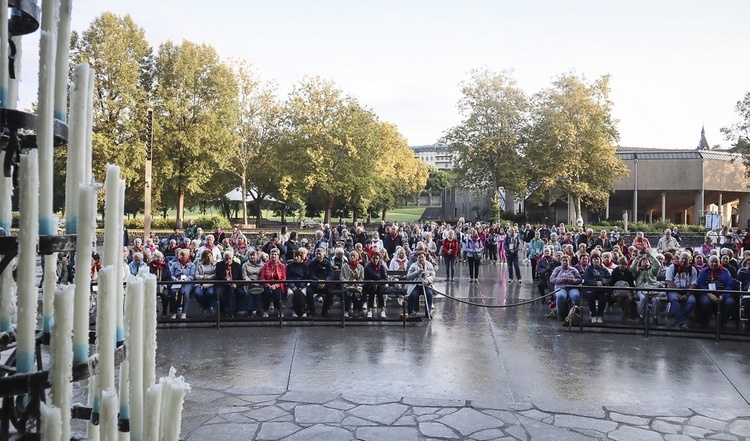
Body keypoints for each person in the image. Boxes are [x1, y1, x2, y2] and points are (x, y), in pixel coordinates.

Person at [696, 255, 737, 327]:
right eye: (712, 262)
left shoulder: (725, 271)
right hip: (707, 293)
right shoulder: (703, 271)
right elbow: (700, 284)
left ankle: (721, 322)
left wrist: (723, 295)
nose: (714, 264)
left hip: (723, 293)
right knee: (705, 302)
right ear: (708, 262)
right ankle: (704, 321)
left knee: (730, 302)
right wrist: (708, 293)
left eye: (716, 262)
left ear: (719, 262)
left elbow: (730, 284)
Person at [665, 252, 698, 329]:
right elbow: (669, 281)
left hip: (687, 291)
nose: (683, 260)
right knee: (674, 299)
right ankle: (682, 322)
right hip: (673, 290)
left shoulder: (692, 269)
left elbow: (694, 283)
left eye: (686, 259)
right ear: (679, 258)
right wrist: (677, 294)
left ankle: (679, 321)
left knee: (692, 301)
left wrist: (687, 294)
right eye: (682, 258)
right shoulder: (672, 267)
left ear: (689, 260)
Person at [630, 250, 661, 324]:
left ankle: (655, 317)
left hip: (652, 290)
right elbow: (632, 268)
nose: (645, 262)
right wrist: (637, 258)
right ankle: (641, 316)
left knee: (656, 300)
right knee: (643, 298)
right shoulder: (638, 271)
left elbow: (658, 265)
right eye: (643, 261)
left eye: (647, 261)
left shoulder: (653, 271)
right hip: (641, 289)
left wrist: (650, 256)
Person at [550, 255, 582, 321]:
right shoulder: (557, 269)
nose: (565, 262)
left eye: (566, 260)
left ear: (569, 261)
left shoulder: (573, 270)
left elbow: (579, 279)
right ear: (561, 261)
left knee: (576, 296)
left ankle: (576, 313)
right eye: (563, 260)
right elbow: (552, 279)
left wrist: (572, 280)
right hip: (561, 287)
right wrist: (561, 280)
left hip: (572, 287)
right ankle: (560, 313)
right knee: (561, 296)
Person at [583, 254, 612, 323]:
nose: (596, 260)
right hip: (591, 288)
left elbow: (609, 278)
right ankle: (593, 315)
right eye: (594, 259)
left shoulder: (604, 269)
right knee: (591, 296)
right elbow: (587, 279)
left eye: (598, 259)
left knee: (604, 296)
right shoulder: (588, 269)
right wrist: (595, 283)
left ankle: (599, 315)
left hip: (601, 289)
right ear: (591, 261)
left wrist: (602, 282)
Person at [306, 248, 335, 317]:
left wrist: (325, 281)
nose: (318, 255)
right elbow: (311, 274)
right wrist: (318, 281)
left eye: (320, 254)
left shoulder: (327, 263)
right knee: (309, 292)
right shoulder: (312, 263)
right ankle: (311, 311)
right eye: (317, 254)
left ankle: (325, 310)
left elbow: (330, 274)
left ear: (324, 254)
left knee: (330, 292)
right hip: (315, 283)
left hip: (325, 283)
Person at [215, 250, 243, 318]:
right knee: (218, 293)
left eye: (230, 258)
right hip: (223, 284)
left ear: (233, 258)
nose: (228, 260)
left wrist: (236, 284)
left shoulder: (237, 266)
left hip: (234, 284)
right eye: (226, 258)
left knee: (238, 292)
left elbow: (240, 278)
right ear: (223, 258)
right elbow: (218, 276)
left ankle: (232, 311)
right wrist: (225, 267)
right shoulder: (219, 265)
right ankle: (223, 311)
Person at [406, 252, 435, 317]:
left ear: (425, 257)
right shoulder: (413, 265)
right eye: (419, 257)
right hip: (415, 286)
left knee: (429, 294)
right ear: (417, 258)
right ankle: (410, 312)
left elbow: (433, 276)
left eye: (422, 257)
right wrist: (416, 272)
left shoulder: (429, 265)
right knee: (412, 295)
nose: (421, 259)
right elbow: (409, 276)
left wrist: (428, 280)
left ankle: (428, 312)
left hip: (426, 285)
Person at [169, 249, 195, 319]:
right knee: (173, 292)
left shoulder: (192, 265)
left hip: (187, 282)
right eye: (181, 255)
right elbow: (171, 274)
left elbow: (192, 276)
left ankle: (184, 312)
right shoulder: (175, 264)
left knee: (185, 292)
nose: (182, 257)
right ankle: (174, 312)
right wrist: (175, 279)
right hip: (177, 281)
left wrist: (184, 279)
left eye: (184, 255)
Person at [260, 249, 287, 317]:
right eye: (272, 254)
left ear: (278, 256)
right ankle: (265, 310)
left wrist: (276, 285)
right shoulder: (265, 266)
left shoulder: (282, 266)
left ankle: (279, 311)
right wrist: (268, 285)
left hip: (278, 285)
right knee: (266, 293)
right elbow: (262, 278)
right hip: (267, 284)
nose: (273, 256)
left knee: (277, 293)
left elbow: (284, 279)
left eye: (275, 254)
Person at [340, 250, 365, 318]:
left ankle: (356, 310)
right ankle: (346, 311)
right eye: (351, 256)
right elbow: (342, 277)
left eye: (354, 256)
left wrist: (357, 283)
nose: (353, 258)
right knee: (347, 293)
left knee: (358, 293)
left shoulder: (361, 267)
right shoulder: (344, 266)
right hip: (347, 285)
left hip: (357, 285)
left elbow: (362, 278)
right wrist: (348, 282)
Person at [364, 253, 388, 318]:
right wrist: (371, 282)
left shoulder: (382, 267)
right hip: (370, 285)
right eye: (373, 258)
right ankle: (370, 311)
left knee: (380, 293)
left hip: (380, 284)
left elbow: (385, 278)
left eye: (377, 258)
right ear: (371, 258)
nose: (375, 260)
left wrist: (380, 282)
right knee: (371, 293)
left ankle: (382, 311)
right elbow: (366, 278)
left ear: (379, 259)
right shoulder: (367, 267)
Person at [193, 249, 217, 315]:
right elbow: (196, 275)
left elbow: (216, 274)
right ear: (203, 258)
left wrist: (208, 277)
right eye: (207, 257)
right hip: (200, 283)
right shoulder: (199, 265)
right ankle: (206, 306)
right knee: (197, 293)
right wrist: (202, 277)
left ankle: (205, 307)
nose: (209, 258)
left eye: (210, 256)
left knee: (210, 293)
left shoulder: (215, 264)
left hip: (210, 283)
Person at [241, 250, 264, 316]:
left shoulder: (262, 265)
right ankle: (249, 311)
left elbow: (262, 275)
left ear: (257, 256)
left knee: (260, 293)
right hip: (248, 283)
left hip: (258, 283)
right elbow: (244, 276)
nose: (252, 257)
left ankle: (259, 310)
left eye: (254, 255)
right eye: (250, 255)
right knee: (248, 294)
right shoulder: (245, 265)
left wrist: (258, 282)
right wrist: (251, 282)